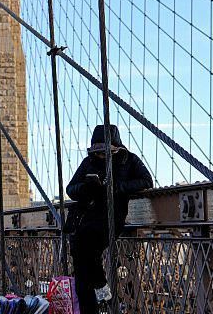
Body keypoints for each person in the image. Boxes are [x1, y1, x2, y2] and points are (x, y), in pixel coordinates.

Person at [64, 124, 152, 314]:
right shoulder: (88, 162)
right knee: (81, 270)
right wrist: (86, 188)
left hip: (111, 218)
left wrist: (115, 187)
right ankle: (98, 295)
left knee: (85, 251)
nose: (101, 156)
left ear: (116, 148)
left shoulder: (129, 160)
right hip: (85, 216)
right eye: (98, 153)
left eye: (106, 152)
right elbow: (70, 189)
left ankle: (101, 286)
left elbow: (146, 181)